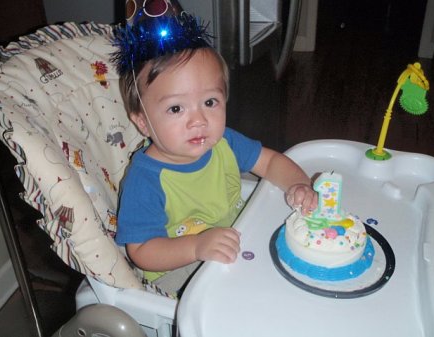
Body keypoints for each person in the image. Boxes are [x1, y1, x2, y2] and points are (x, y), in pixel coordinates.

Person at [112, 0, 318, 295]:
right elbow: (142, 251)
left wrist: (298, 185)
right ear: (143, 122)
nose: (198, 120)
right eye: (175, 109)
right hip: (180, 271)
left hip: (237, 241)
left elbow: (270, 163)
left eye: (209, 102)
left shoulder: (224, 143)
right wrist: (197, 245)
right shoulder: (145, 181)